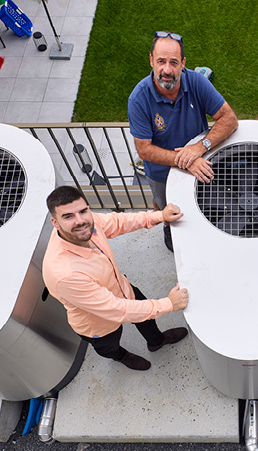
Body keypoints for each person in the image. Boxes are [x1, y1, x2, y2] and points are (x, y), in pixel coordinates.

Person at [43, 185, 189, 371]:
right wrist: (168, 304)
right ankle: (122, 356)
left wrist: (158, 216)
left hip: (120, 287)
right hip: (97, 323)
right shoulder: (65, 275)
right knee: (108, 346)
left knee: (146, 318)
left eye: (83, 211)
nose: (80, 221)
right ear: (55, 223)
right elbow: (116, 310)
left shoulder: (89, 222)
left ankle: (156, 341)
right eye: (68, 216)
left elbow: (118, 222)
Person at [128, 30, 238, 250]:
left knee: (206, 201)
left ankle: (206, 226)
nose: (167, 70)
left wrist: (200, 147)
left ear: (183, 63)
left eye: (173, 62)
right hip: (161, 174)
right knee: (166, 206)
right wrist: (185, 159)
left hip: (201, 161)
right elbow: (145, 151)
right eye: (161, 61)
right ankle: (169, 229)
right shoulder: (138, 99)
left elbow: (230, 119)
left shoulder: (196, 82)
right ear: (151, 60)